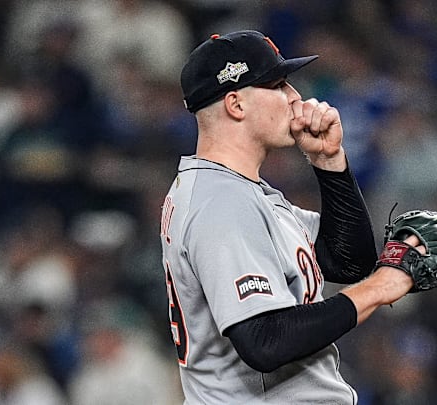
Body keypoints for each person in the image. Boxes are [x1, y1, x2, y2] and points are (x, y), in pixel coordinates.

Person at [159, 30, 420, 404]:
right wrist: (380, 288)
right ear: (236, 104)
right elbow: (264, 341)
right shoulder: (221, 202)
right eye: (279, 85)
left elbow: (345, 261)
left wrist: (329, 162)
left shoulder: (242, 191)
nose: (296, 98)